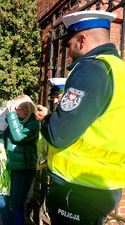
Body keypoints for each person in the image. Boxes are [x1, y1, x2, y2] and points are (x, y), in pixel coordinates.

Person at [36, 10, 125, 225]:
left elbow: (58, 135)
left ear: (82, 40)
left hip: (76, 189)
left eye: (69, 45)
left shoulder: (91, 68)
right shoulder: (118, 69)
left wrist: (46, 119)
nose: (69, 52)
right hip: (105, 186)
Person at [0, 94, 39, 225]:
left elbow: (19, 136)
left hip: (23, 170)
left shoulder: (33, 124)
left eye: (15, 108)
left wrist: (11, 115)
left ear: (25, 110)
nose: (11, 111)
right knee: (0, 201)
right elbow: (4, 135)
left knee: (17, 207)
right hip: (9, 168)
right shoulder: (15, 122)